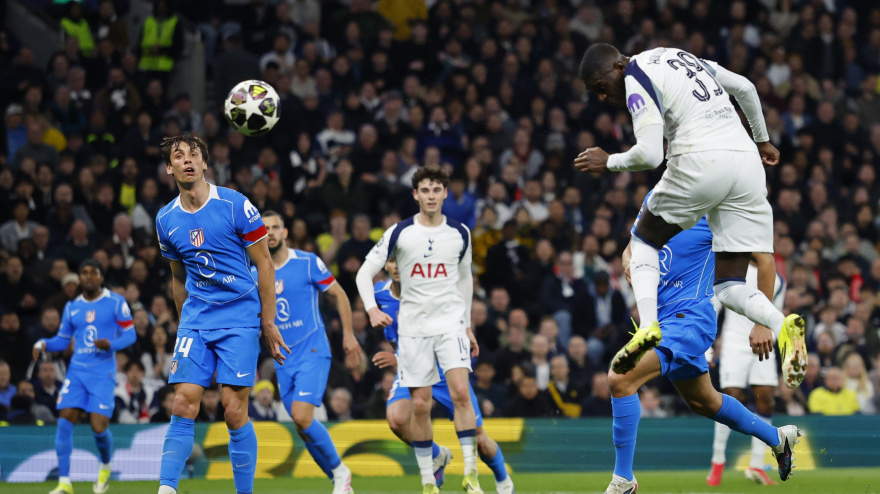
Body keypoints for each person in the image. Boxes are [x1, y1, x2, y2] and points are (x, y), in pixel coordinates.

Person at [574, 43, 807, 391]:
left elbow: (651, 155)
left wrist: (607, 161)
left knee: (642, 243)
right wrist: (762, 139)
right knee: (729, 286)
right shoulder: (680, 56)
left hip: (701, 160)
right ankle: (781, 322)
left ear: (617, 66)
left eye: (600, 87)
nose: (604, 97)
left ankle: (649, 327)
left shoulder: (636, 74)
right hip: (746, 164)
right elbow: (746, 87)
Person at [600, 190, 802, 494]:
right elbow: (631, 248)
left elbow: (765, 260)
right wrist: (631, 265)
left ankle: (623, 479)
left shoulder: (715, 206)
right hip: (661, 316)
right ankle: (777, 438)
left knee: (620, 377)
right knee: (705, 402)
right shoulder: (657, 196)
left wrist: (760, 322)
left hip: (688, 320)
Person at [154, 135, 289, 494]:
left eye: (193, 155)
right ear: (169, 168)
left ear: (204, 164)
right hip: (197, 319)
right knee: (183, 401)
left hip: (240, 317)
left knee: (233, 410)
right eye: (178, 156)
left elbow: (264, 265)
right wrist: (185, 324)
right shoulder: (166, 219)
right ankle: (166, 489)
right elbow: (177, 276)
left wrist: (269, 322)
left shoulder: (235, 205)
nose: (186, 161)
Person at [356, 165, 483, 494]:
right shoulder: (399, 233)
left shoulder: (460, 233)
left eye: (436, 189)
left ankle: (471, 474)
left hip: (449, 324)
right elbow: (363, 273)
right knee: (420, 405)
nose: (430, 195)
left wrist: (467, 324)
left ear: (445, 193)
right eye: (424, 190)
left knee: (460, 392)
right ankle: (429, 480)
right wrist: (371, 308)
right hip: (413, 330)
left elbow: (466, 278)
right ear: (415, 195)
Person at [371, 256, 514, 493]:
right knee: (396, 420)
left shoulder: (429, 294)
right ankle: (438, 454)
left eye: (402, 261)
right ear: (386, 265)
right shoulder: (379, 293)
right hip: (412, 368)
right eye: (392, 261)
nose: (397, 266)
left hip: (444, 367)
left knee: (479, 440)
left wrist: (466, 330)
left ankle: (503, 479)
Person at [262, 210, 359, 494]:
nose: (270, 233)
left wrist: (349, 334)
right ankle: (340, 484)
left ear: (285, 232)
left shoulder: (306, 262)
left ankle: (341, 471)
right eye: (264, 228)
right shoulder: (258, 271)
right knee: (303, 429)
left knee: (304, 417)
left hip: (312, 350)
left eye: (275, 227)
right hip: (282, 358)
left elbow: (338, 294)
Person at [32, 259, 136, 494]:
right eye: (84, 273)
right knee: (65, 418)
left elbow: (131, 335)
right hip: (77, 371)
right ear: (79, 278)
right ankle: (64, 483)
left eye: (93, 273)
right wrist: (43, 343)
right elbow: (62, 339)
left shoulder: (115, 302)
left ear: (101, 277)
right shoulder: (72, 307)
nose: (88, 277)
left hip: (103, 372)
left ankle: (106, 464)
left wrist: (111, 344)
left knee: (98, 428)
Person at [708, 258, 786, 486]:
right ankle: (718, 461)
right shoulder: (732, 271)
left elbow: (776, 315)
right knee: (730, 399)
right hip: (735, 342)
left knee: (766, 401)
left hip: (765, 343)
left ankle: (756, 465)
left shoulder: (778, 280)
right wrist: (708, 343)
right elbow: (714, 307)